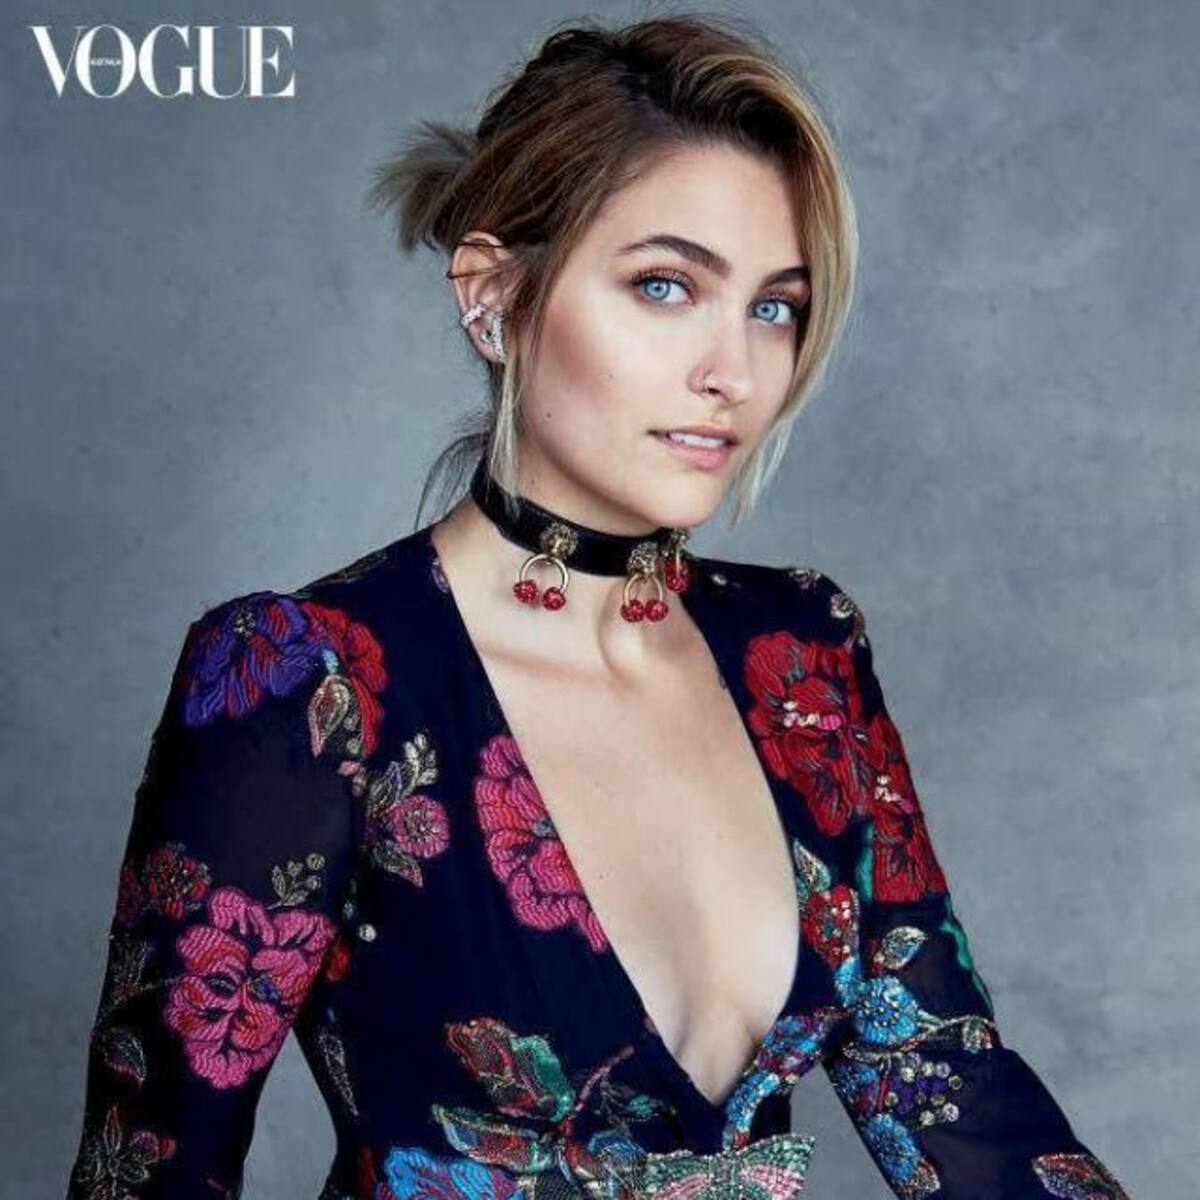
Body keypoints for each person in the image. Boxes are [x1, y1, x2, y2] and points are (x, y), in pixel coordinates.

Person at [63, 12, 1132, 1200]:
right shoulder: (309, 679)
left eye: (773, 306)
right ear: (495, 296)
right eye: (666, 287)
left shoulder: (806, 654)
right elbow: (146, 1175)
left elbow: (950, 1090)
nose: (734, 372)